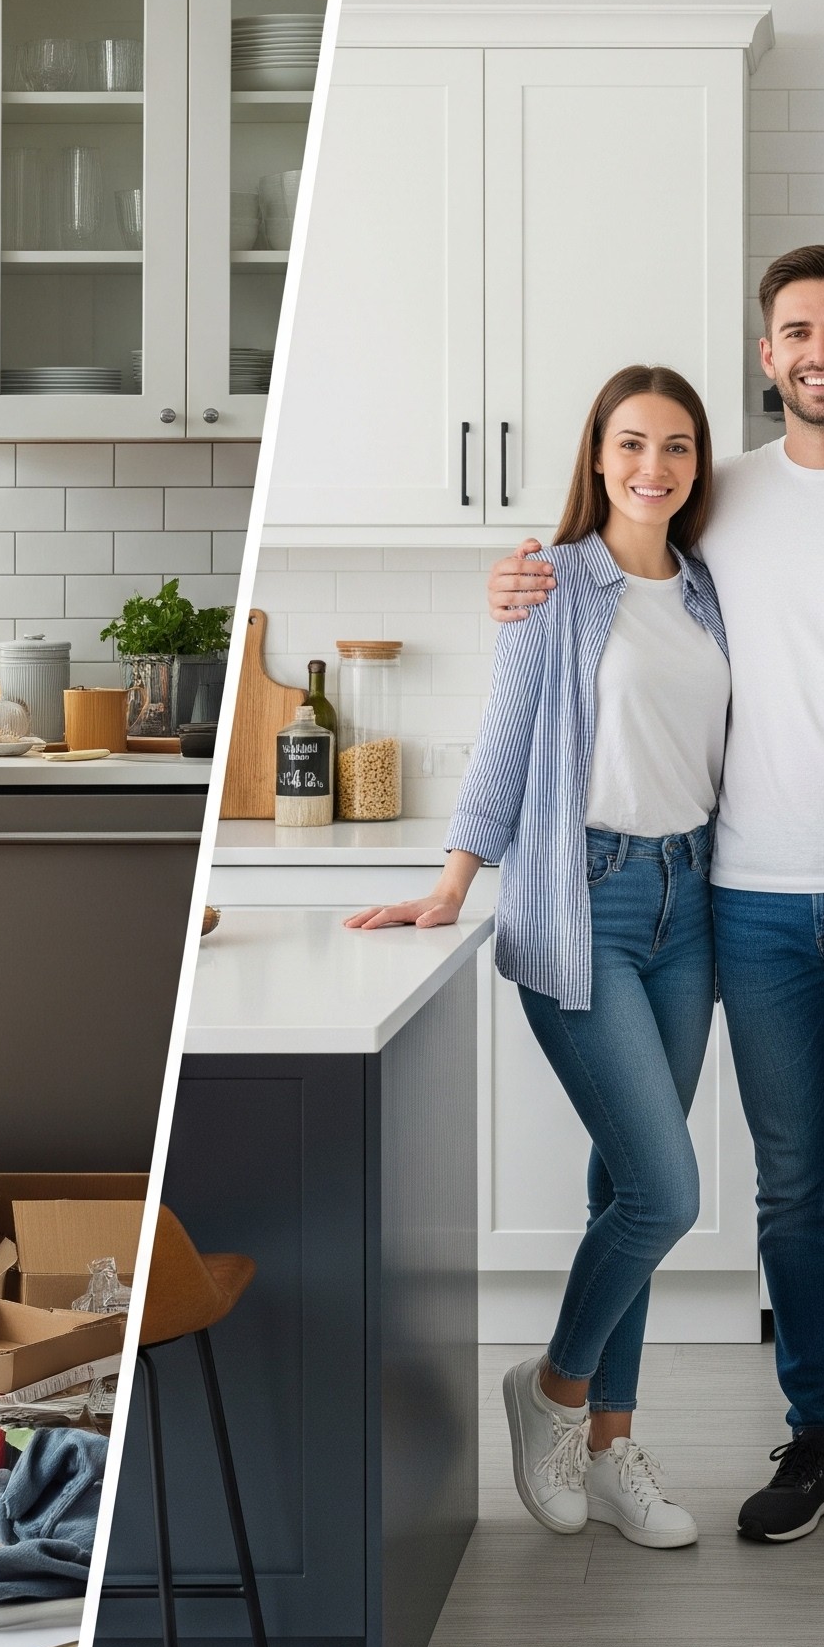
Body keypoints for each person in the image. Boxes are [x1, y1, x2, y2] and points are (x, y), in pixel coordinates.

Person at [486, 245, 824, 1584]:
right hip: (748, 903)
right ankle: (819, 1445)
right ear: (768, 355)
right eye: (795, 331)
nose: (819, 349)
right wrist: (521, 583)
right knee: (790, 1191)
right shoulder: (720, 503)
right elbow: (612, 569)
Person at [350, 367, 729, 1550]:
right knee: (667, 1190)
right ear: (596, 456)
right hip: (586, 901)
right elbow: (507, 738)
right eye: (629, 444)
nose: (651, 466)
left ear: (695, 463)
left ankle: (608, 1448)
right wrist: (455, 878)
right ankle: (550, 1391)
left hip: (691, 904)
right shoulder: (553, 582)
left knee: (627, 1187)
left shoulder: (714, 589)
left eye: (674, 446)